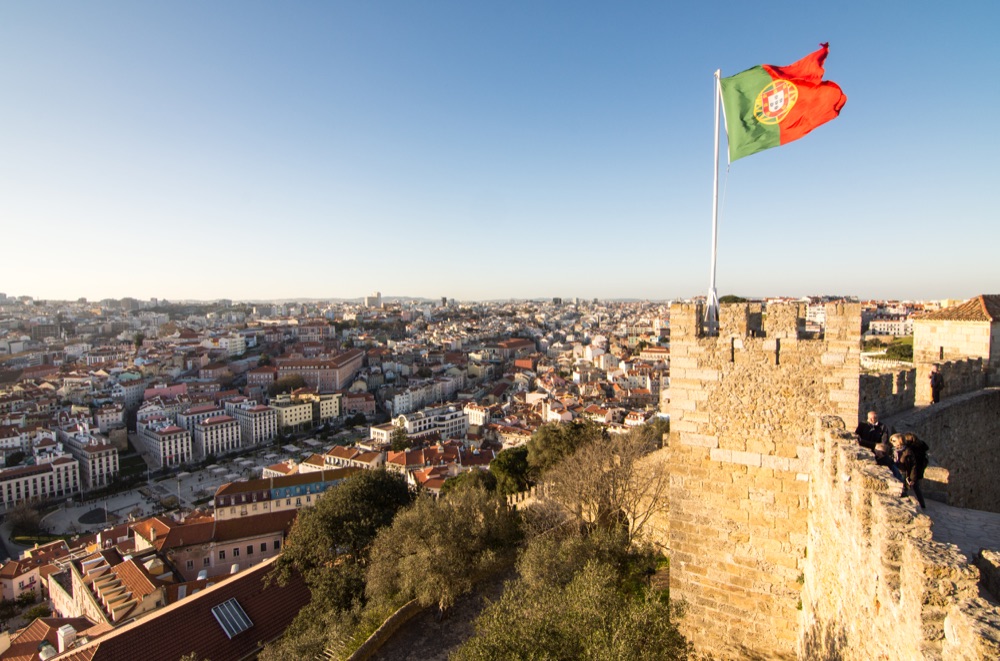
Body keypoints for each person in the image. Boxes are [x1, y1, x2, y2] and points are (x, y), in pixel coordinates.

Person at [898, 432, 929, 509]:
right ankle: (922, 504)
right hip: (919, 470)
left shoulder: (912, 450)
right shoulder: (921, 447)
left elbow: (913, 463)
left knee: (911, 485)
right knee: (916, 487)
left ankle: (906, 501)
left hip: (913, 470)